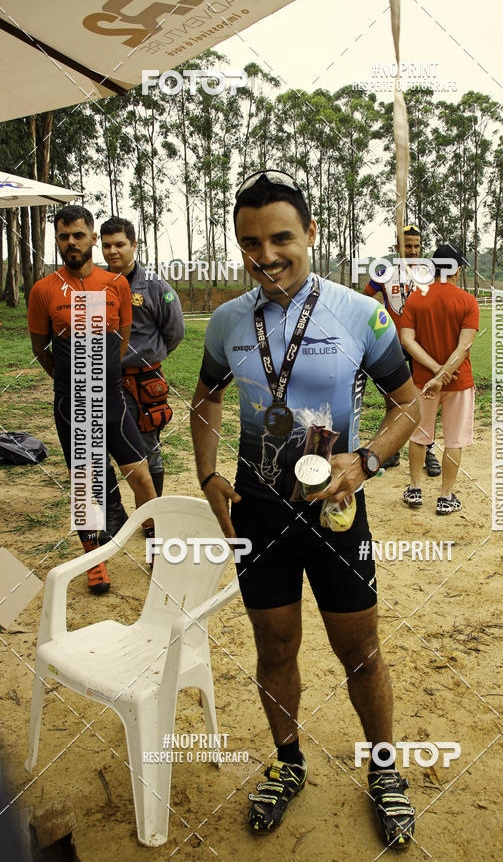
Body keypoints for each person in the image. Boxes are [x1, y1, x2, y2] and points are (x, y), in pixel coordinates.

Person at [190, 170, 421, 850]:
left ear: (311, 234)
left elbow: (409, 406)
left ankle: (384, 770)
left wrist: (367, 460)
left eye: (281, 239)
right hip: (256, 514)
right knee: (274, 648)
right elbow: (205, 401)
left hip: (335, 514)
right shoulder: (229, 321)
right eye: (250, 243)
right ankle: (287, 762)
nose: (266, 256)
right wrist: (207, 474)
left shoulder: (360, 313)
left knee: (361, 652)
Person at [28, 205, 156, 593]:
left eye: (78, 235)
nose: (71, 242)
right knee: (85, 484)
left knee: (141, 476)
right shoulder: (43, 290)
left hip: (113, 397)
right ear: (57, 240)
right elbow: (40, 348)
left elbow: (123, 337)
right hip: (72, 401)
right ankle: (94, 560)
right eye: (64, 236)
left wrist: (105, 375)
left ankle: (157, 547)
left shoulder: (115, 284)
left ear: (92, 239)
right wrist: (71, 382)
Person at [99, 216, 184, 542]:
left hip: (143, 383)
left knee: (148, 448)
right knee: (102, 447)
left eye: (120, 244)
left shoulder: (155, 287)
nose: (113, 251)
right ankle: (114, 518)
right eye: (106, 245)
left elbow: (174, 332)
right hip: (106, 381)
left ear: (134, 245)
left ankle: (152, 520)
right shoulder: (97, 284)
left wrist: (148, 358)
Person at [399, 243, 479, 514]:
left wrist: (435, 371)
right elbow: (464, 346)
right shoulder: (468, 301)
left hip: (423, 381)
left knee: (419, 435)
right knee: (454, 440)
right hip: (459, 382)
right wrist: (444, 373)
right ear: (457, 270)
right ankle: (446, 497)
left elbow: (407, 340)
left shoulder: (415, 298)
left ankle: (414, 489)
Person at [362, 225, 441, 476]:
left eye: (417, 246)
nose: (413, 250)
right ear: (398, 247)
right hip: (393, 345)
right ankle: (393, 450)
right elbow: (365, 298)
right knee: (396, 399)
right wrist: (381, 317)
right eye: (408, 246)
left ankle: (428, 450)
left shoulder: (428, 274)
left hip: (421, 345)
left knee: (425, 399)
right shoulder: (384, 272)